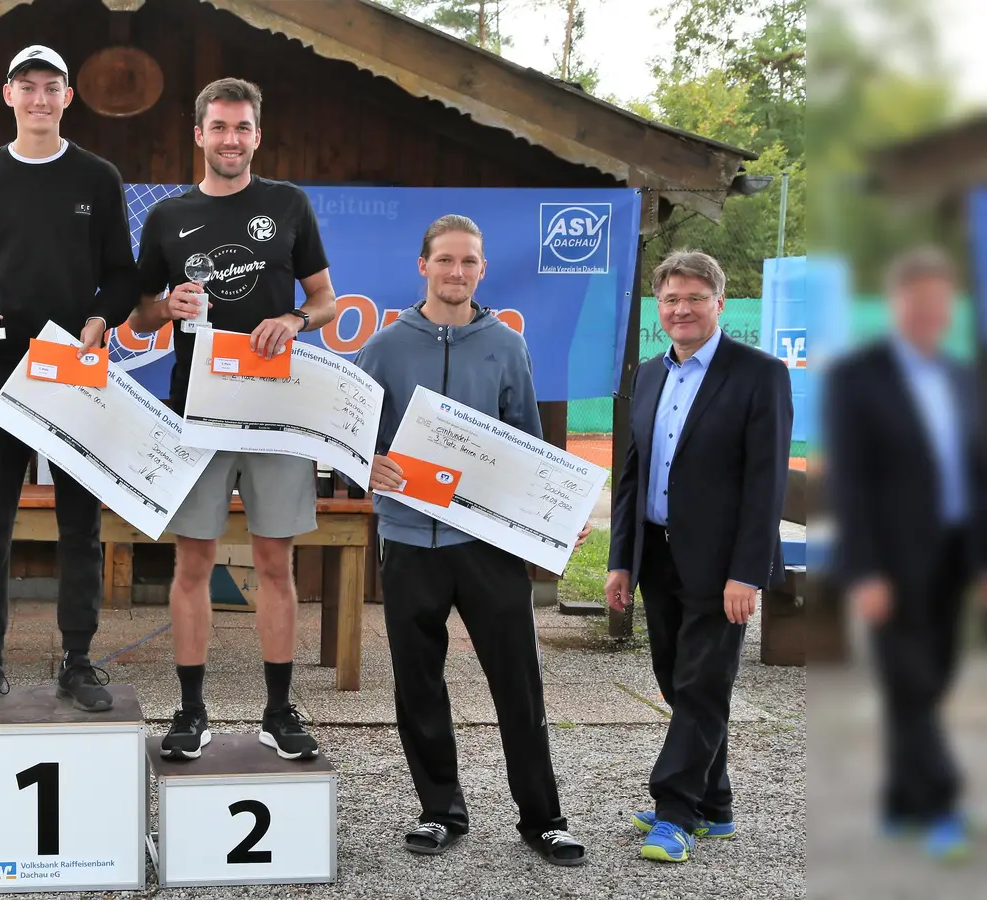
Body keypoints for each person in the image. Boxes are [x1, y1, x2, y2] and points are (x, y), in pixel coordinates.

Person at [355, 214, 587, 866]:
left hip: (487, 547)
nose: (457, 272)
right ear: (423, 265)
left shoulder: (507, 346)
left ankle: (543, 819)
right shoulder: (384, 347)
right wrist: (364, 460)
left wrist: (556, 512)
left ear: (482, 270)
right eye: (446, 260)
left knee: (519, 683)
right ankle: (440, 811)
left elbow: (531, 450)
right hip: (408, 540)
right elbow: (352, 440)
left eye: (469, 262)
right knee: (418, 685)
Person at [128, 77, 338, 761]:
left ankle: (279, 712)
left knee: (275, 563)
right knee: (193, 564)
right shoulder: (167, 218)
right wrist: (169, 307)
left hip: (277, 412)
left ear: (257, 133)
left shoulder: (288, 204)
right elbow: (138, 316)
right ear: (198, 135)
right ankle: (191, 712)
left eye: (242, 127)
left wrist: (293, 319)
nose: (230, 139)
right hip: (199, 410)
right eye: (218, 127)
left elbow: (327, 301)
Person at [0, 44, 136, 714]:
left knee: (81, 523)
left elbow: (124, 272)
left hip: (73, 373)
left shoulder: (98, 178)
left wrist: (103, 316)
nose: (41, 99)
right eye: (29, 86)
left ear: (69, 98)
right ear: (8, 94)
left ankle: (78, 661)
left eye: (53, 87)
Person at [605, 249, 792, 864]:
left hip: (722, 568)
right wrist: (621, 560)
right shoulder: (650, 375)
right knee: (677, 681)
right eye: (670, 300)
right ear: (659, 308)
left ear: (719, 301)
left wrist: (748, 571)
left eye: (693, 298)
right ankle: (716, 804)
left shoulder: (759, 374)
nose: (681, 310)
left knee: (702, 683)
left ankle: (675, 810)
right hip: (657, 556)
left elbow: (766, 484)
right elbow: (632, 475)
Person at [825, 246, 984, 862]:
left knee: (932, 679)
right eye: (916, 304)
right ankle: (941, 805)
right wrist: (863, 569)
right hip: (890, 561)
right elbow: (851, 483)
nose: (928, 314)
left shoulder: (963, 378)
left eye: (938, 305)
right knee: (913, 681)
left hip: (953, 552)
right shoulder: (857, 378)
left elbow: (977, 474)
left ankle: (899, 797)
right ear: (896, 307)